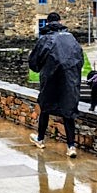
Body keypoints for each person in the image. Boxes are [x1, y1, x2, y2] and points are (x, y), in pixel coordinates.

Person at [28, 12, 84, 158]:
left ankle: (40, 139)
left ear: (47, 23)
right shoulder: (71, 38)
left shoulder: (45, 39)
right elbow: (80, 58)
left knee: (45, 108)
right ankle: (71, 146)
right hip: (69, 79)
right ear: (61, 22)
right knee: (68, 111)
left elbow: (34, 63)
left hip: (51, 78)